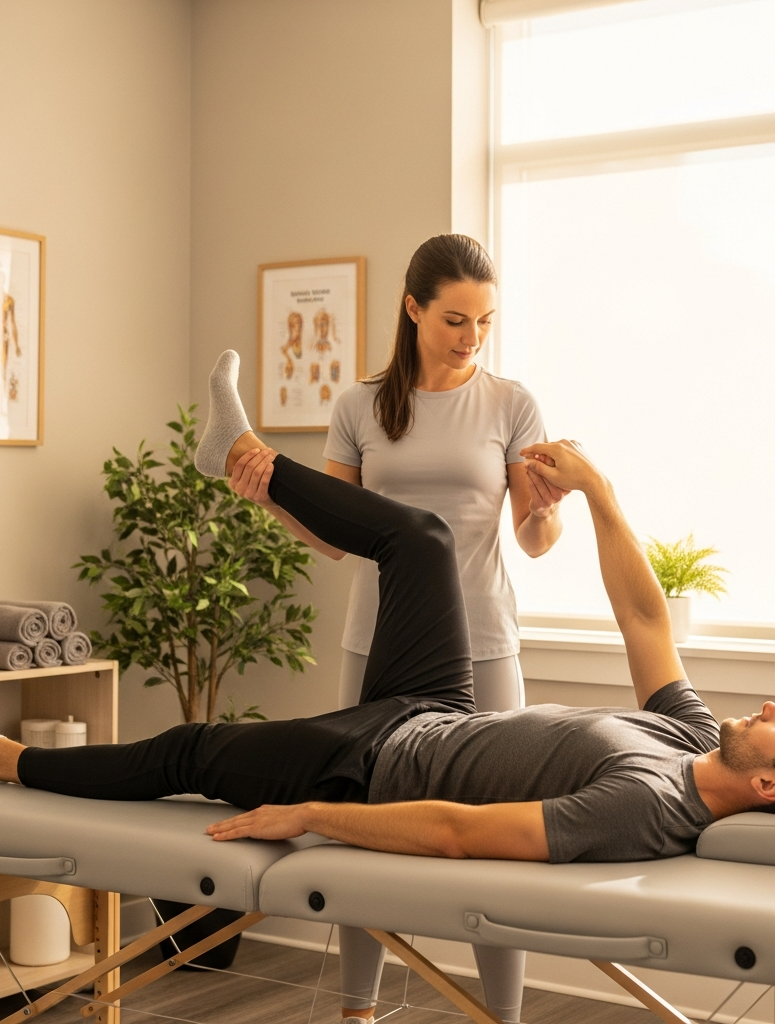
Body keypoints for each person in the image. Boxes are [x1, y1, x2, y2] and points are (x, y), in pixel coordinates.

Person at [0, 406, 775, 1023]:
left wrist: (312, 819)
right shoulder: (684, 736)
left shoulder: (648, 806)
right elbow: (644, 613)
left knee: (192, 746)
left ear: (769, 783)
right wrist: (598, 492)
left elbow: (460, 833)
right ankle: (241, 454)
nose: (769, 709)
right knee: (420, 538)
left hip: (371, 765)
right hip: (433, 705)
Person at [231, 234, 563, 1022]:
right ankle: (357, 1010)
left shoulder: (512, 403)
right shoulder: (359, 406)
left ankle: (503, 1016)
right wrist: (270, 496)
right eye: (455, 319)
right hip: (377, 638)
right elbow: (338, 532)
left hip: (484, 642)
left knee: (494, 832)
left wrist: (551, 504)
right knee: (362, 821)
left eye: (485, 321)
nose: (471, 337)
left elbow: (534, 538)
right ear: (413, 309)